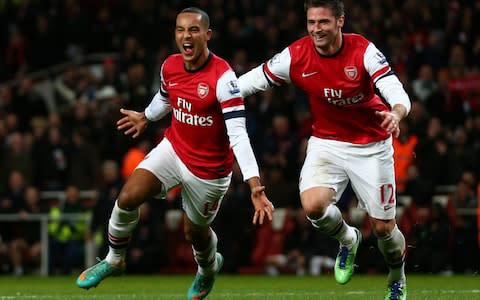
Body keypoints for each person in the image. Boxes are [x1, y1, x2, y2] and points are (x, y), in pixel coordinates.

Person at [75, 7, 274, 300]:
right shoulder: (170, 66)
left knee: (194, 233)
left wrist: (254, 185)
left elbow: (238, 134)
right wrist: (146, 116)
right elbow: (166, 97)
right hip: (174, 149)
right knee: (128, 196)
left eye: (193, 30)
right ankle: (114, 260)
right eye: (181, 30)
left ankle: (207, 269)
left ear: (207, 35)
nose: (186, 36)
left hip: (208, 171)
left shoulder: (224, 79)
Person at [238, 1, 411, 299]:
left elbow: (396, 90)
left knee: (383, 229)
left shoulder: (363, 51)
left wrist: (395, 113)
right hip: (327, 143)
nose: (316, 29)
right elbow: (252, 81)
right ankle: (348, 239)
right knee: (313, 207)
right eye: (311, 22)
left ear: (340, 21)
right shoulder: (296, 55)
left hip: (372, 146)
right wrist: (215, 97)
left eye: (324, 22)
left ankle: (397, 277)